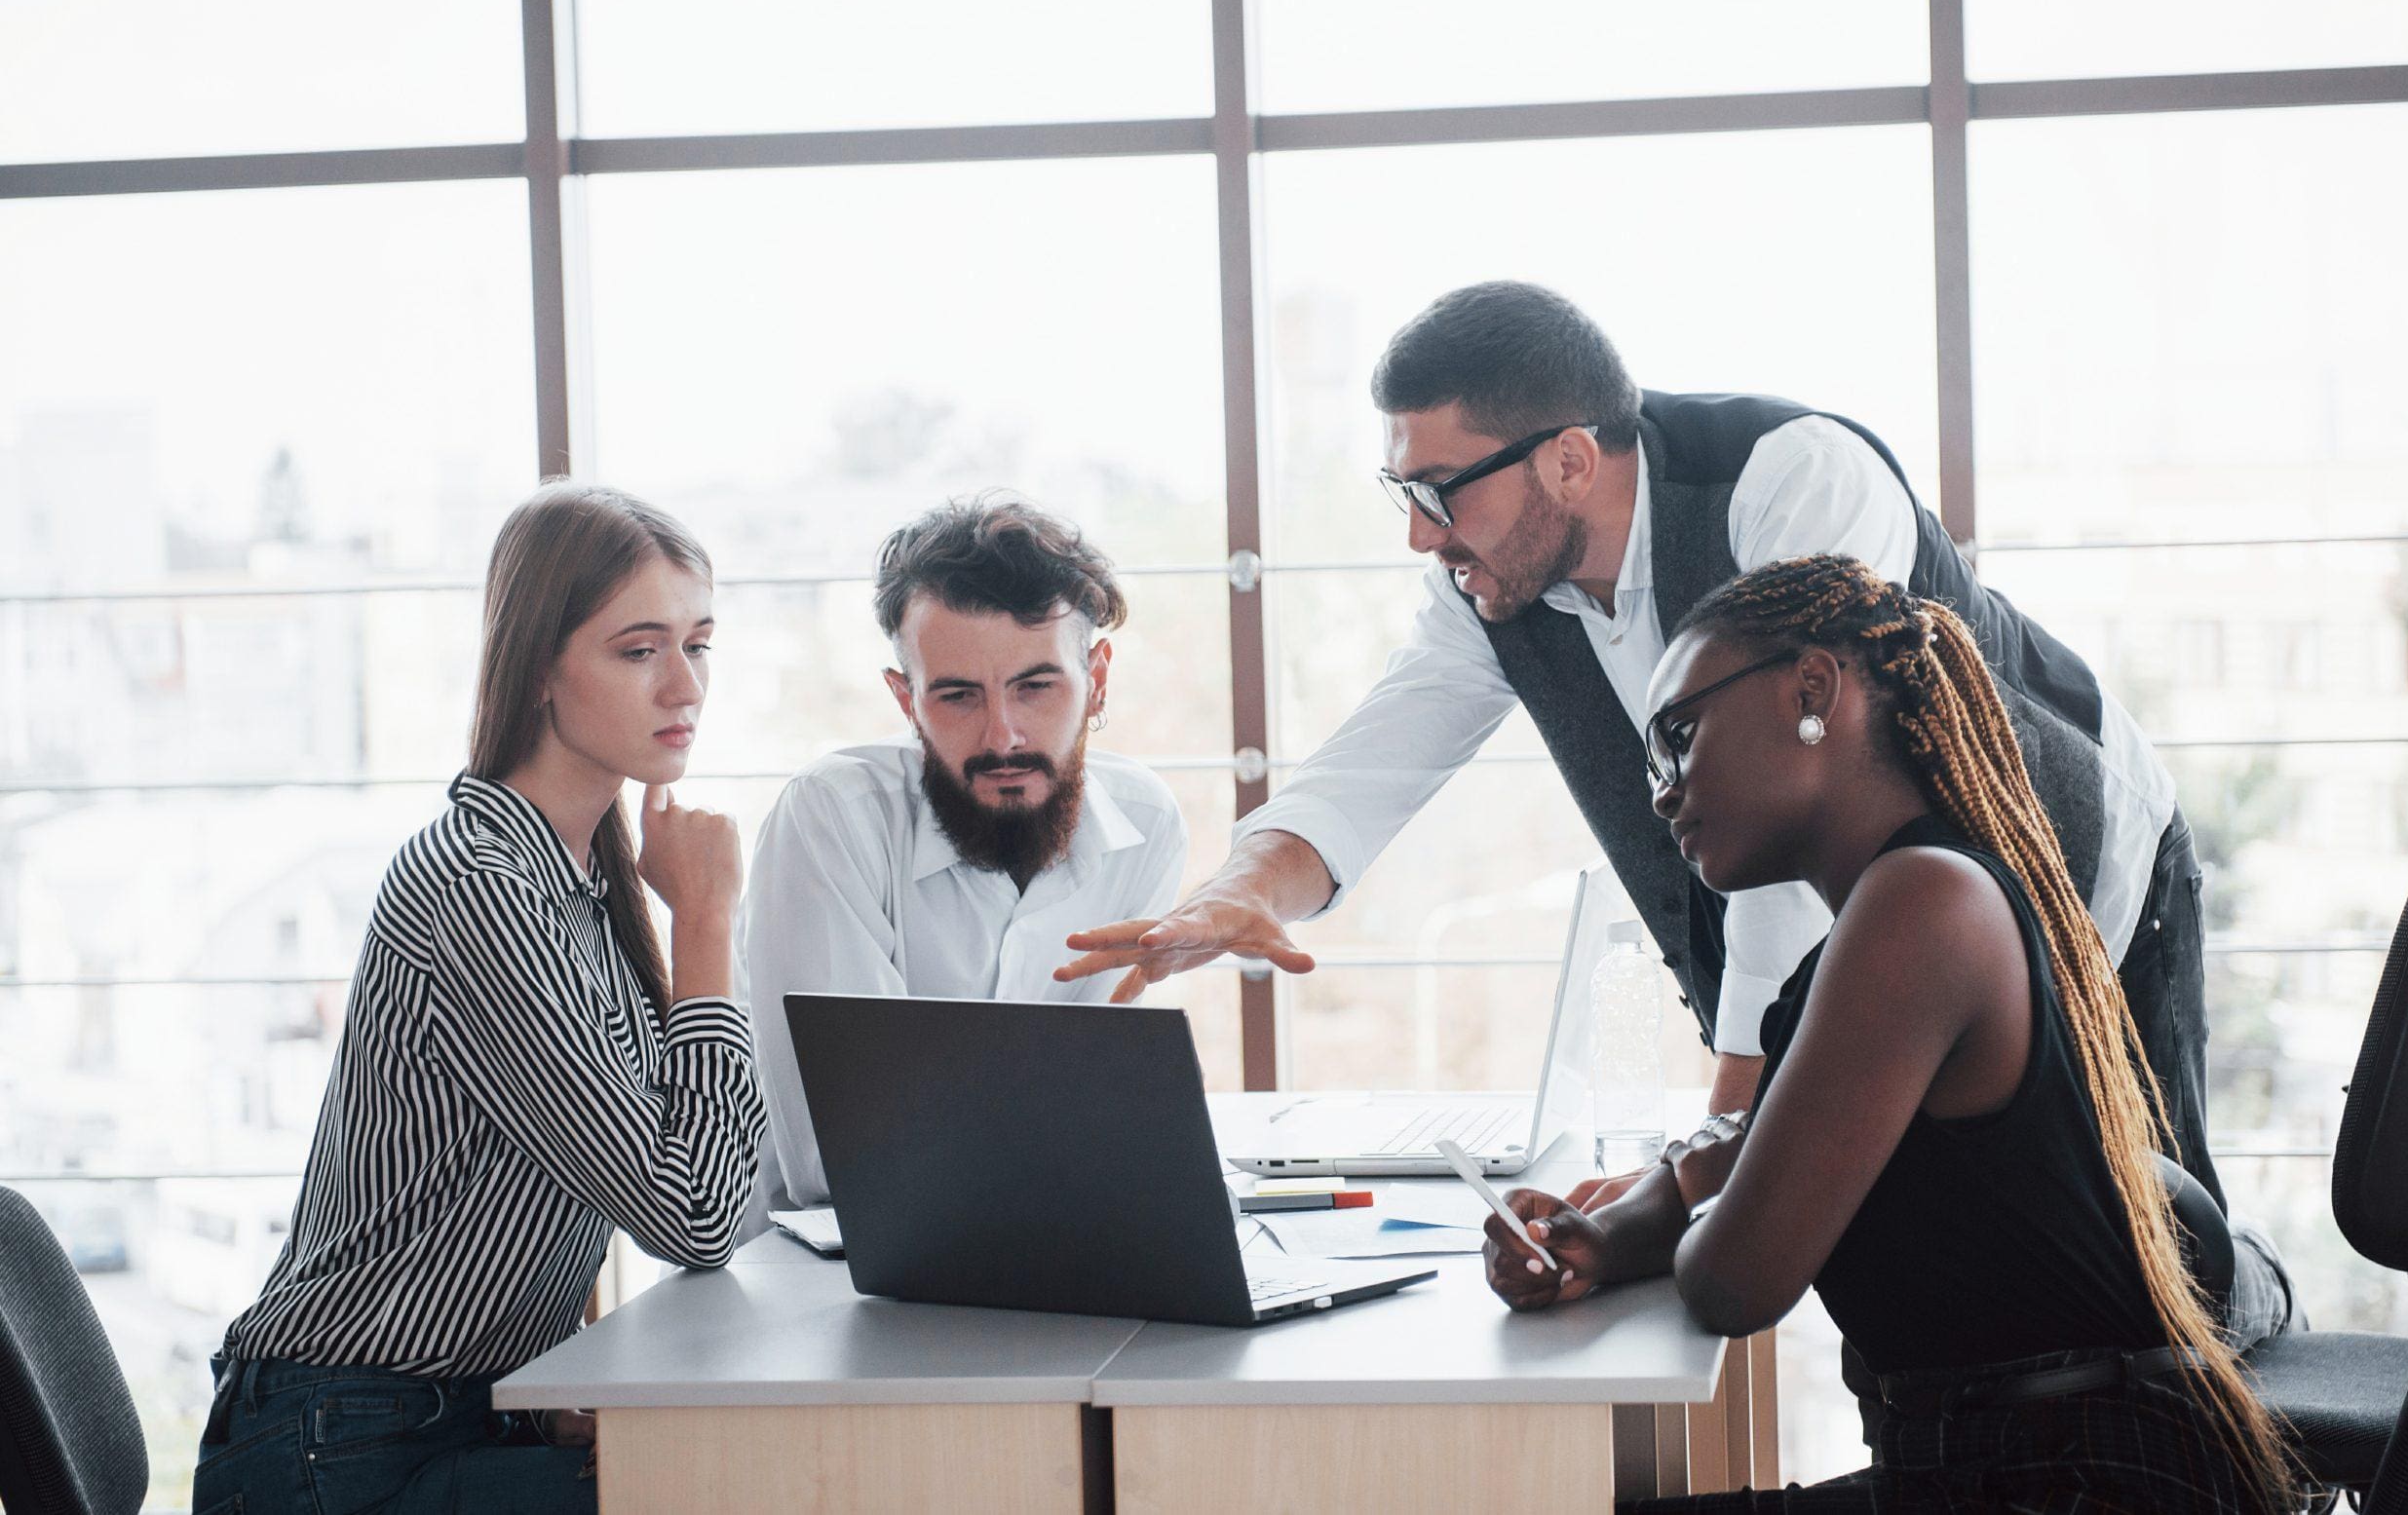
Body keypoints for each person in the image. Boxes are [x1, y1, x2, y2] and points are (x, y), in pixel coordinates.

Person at [1060, 281, 2291, 1338]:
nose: (1421, 534)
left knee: (2152, 1285)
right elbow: (1381, 751)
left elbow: (1788, 832)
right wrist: (1239, 889)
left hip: (2082, 885)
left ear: (1570, 457)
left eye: (1440, 489)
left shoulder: (1790, 480)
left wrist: (1716, 1139)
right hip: (1875, 968)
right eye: (1403, 493)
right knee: (1934, 1273)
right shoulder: (1494, 587)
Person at [1482, 553, 2294, 1513]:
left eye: (1678, 736)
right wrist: (1611, 1230)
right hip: (1990, 1467)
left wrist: (1701, 1180)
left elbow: (1735, 1281)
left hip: (2074, 1483)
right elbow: (1748, 1159)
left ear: (1811, 688)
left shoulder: (1921, 907)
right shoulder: (1882, 921)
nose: (1659, 790)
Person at [193, 484, 765, 1514]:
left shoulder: (580, 881)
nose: (685, 684)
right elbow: (695, 1210)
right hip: (339, 1452)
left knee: (758, 1472)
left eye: (699, 643)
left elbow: (687, 1170)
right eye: (640, 650)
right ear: (540, 665)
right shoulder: (482, 885)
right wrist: (709, 926)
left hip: (453, 1417)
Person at [738, 494, 1187, 1209]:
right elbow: (839, 1153)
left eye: (1035, 686)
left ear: (1095, 679)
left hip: (1035, 1237)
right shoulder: (832, 817)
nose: (1002, 736)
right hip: (813, 1274)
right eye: (957, 696)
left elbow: (1100, 1110)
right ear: (906, 699)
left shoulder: (1146, 824)